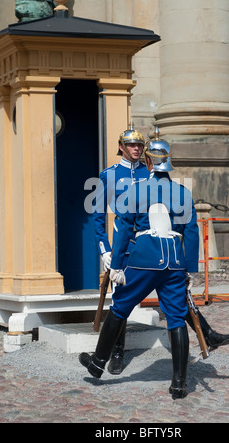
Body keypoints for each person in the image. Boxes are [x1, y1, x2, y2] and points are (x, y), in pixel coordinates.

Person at [80, 131, 229, 399]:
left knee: (120, 308)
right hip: (175, 263)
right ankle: (179, 384)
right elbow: (190, 232)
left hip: (144, 259)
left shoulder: (137, 191)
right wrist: (189, 269)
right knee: (176, 317)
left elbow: (124, 232)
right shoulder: (182, 192)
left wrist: (116, 264)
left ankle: (97, 363)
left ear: (150, 162)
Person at [92, 127, 149, 375]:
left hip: (148, 243)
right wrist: (105, 249)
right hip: (122, 245)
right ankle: (117, 351)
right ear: (122, 147)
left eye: (139, 145)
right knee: (120, 298)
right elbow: (97, 217)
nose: (136, 149)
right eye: (131, 145)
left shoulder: (151, 172)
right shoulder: (109, 175)